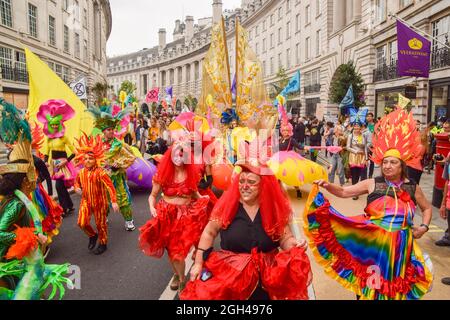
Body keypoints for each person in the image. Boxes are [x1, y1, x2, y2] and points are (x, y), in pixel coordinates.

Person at [308, 108, 433, 300]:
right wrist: (327, 185)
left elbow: (426, 208)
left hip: (400, 247)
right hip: (372, 244)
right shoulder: (372, 183)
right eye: (385, 162)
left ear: (402, 166)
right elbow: (343, 191)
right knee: (369, 287)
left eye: (393, 163)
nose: (387, 166)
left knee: (393, 288)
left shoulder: (412, 187)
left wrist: (424, 227)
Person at [180, 160, 313, 300]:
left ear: (263, 184)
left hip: (267, 279)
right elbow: (209, 232)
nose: (244, 186)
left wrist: (293, 244)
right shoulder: (228, 206)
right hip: (231, 278)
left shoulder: (273, 209)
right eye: (241, 181)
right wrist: (198, 263)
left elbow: (284, 237)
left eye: (251, 182)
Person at [139, 143, 209, 291]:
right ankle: (177, 275)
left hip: (185, 216)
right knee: (171, 250)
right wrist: (152, 207)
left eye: (182, 154)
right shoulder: (163, 175)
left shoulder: (192, 174)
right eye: (176, 154)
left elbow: (194, 194)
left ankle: (182, 281)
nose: (179, 157)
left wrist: (202, 197)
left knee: (179, 252)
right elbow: (152, 196)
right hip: (166, 215)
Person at [87, 105, 137, 232]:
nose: (111, 131)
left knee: (122, 199)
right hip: (102, 178)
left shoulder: (119, 144)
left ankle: (129, 221)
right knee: (103, 199)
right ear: (103, 132)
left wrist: (118, 163)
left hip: (116, 178)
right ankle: (104, 217)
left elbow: (131, 157)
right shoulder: (97, 145)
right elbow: (91, 158)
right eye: (108, 130)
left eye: (112, 129)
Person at [74, 134, 120, 255]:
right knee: (81, 222)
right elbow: (76, 184)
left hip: (100, 202)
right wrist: (77, 188)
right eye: (86, 159)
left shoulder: (101, 173)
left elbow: (110, 186)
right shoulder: (81, 172)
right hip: (86, 201)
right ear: (82, 160)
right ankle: (92, 235)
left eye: (91, 159)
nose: (88, 161)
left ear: (96, 160)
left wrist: (114, 201)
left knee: (101, 224)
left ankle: (103, 243)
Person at [37, 99, 77, 217]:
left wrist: (66, 162)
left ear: (59, 125)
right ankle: (69, 205)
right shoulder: (49, 139)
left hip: (63, 164)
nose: (54, 126)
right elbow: (47, 153)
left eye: (56, 124)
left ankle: (64, 208)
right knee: (61, 186)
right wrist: (46, 162)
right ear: (49, 125)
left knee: (58, 186)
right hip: (54, 165)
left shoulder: (64, 138)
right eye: (52, 124)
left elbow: (74, 152)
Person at [347, 120, 368, 200]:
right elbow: (348, 147)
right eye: (355, 127)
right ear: (353, 128)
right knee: (354, 175)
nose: (356, 129)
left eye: (358, 127)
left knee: (359, 174)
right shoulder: (350, 136)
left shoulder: (363, 136)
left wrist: (366, 158)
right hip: (353, 156)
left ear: (361, 128)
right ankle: (354, 193)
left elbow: (365, 147)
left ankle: (356, 190)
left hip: (361, 157)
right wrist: (356, 151)